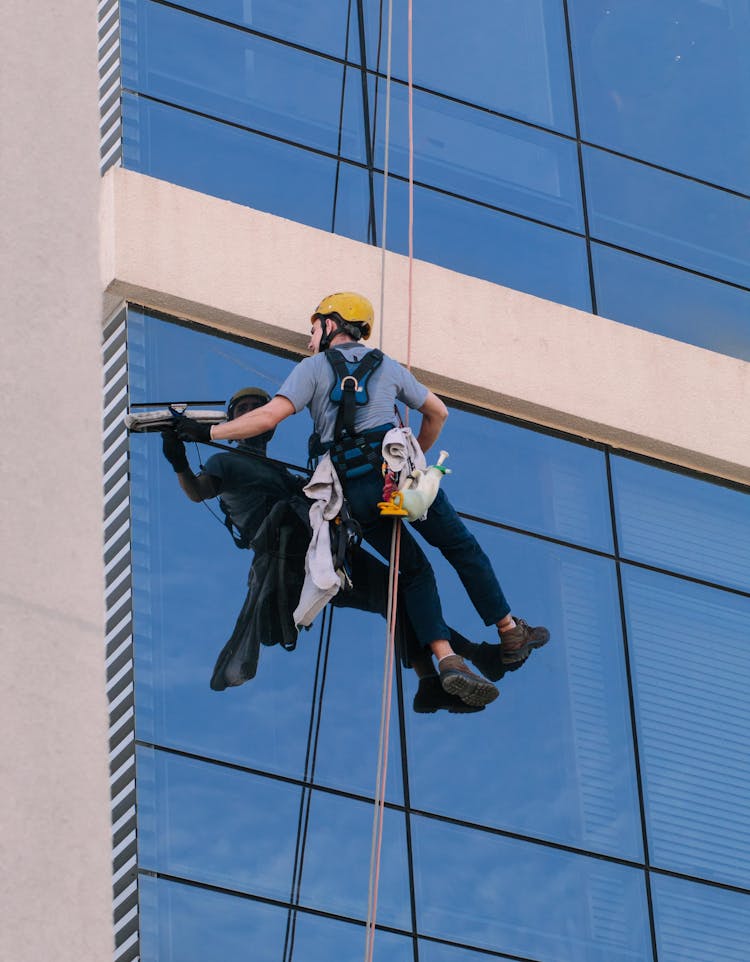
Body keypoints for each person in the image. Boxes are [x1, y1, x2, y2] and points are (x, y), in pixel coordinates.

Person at [174, 294, 549, 709]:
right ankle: (508, 629)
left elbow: (269, 417)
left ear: (332, 324)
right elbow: (438, 413)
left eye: (314, 327)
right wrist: (414, 464)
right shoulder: (387, 367)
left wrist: (205, 432)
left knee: (413, 573)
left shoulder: (311, 370)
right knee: (461, 547)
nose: (310, 337)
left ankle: (446, 659)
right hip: (397, 480)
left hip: (355, 495)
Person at [163, 385, 519, 713]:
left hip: (314, 548)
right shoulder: (226, 461)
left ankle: (429, 678)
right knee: (400, 586)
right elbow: (198, 491)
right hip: (291, 557)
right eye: (245, 409)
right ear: (233, 421)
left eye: (259, 408)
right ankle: (463, 658)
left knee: (393, 592)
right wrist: (179, 460)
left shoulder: (280, 470)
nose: (253, 411)